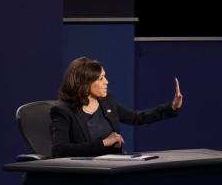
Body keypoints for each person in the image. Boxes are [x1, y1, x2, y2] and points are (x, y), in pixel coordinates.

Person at [50, 57, 183, 158]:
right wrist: (104, 143)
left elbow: (137, 118)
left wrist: (171, 107)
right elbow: (60, 150)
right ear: (85, 83)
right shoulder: (63, 110)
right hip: (86, 174)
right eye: (101, 78)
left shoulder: (106, 101)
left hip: (113, 166)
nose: (106, 82)